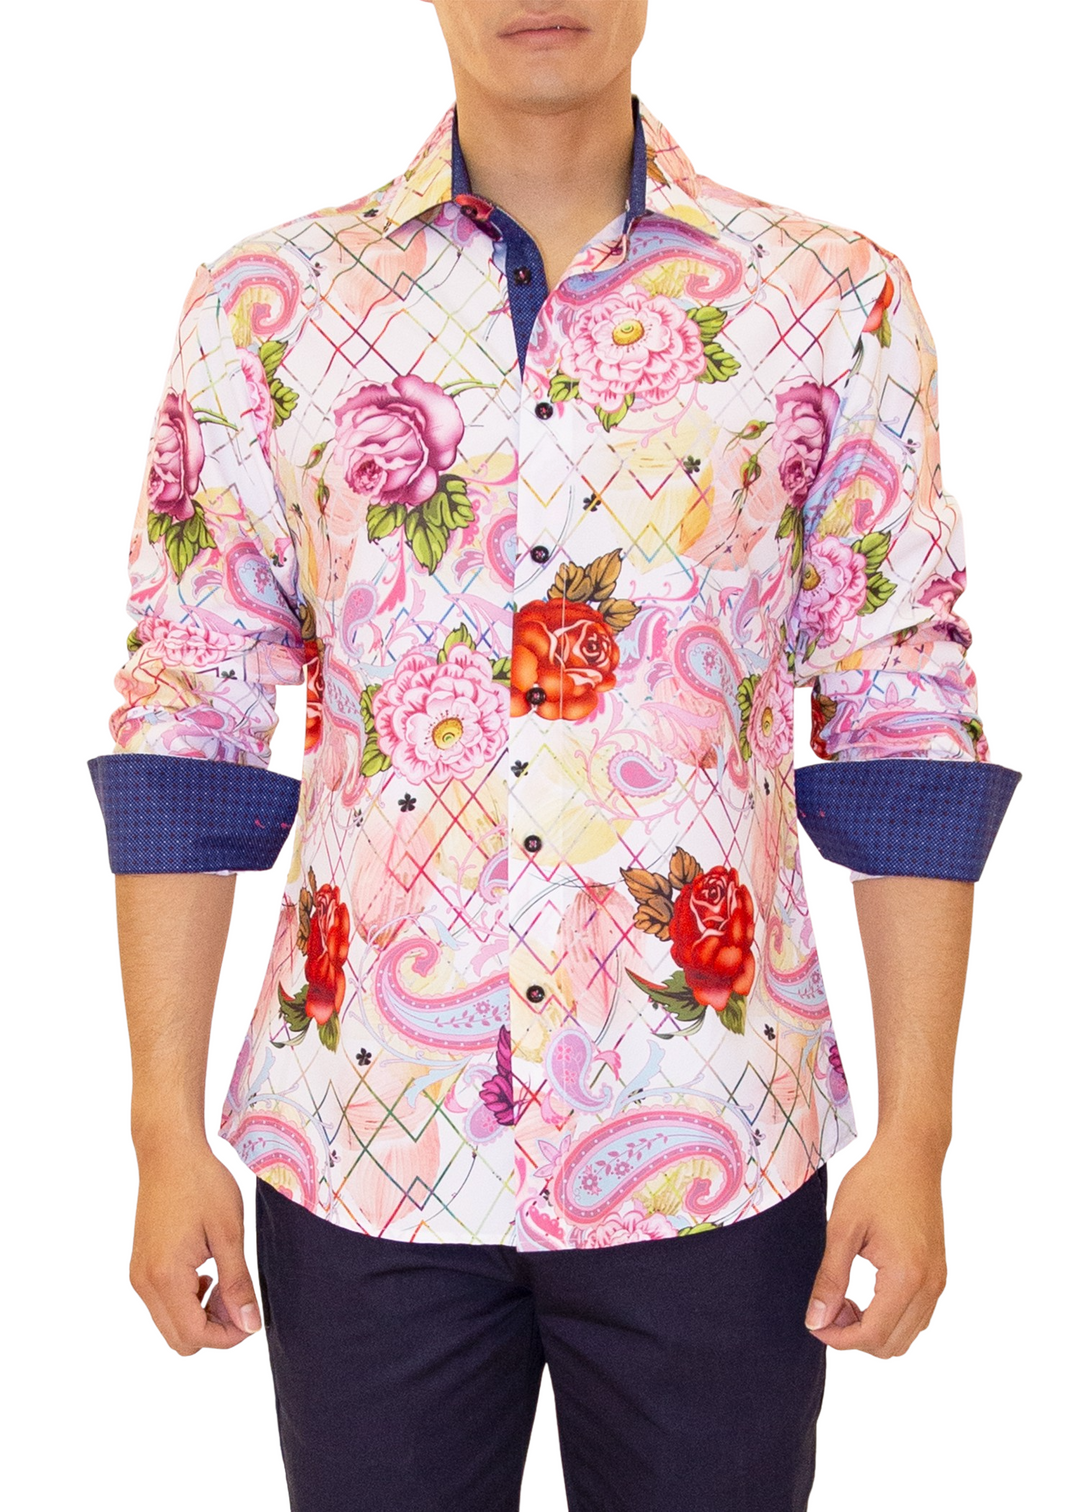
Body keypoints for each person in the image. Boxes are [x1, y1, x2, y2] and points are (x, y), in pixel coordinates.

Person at [86, 3, 1021, 1508]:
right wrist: (160, 1130)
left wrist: (920, 1135)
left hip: (716, 1138)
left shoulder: (831, 301)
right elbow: (190, 710)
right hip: (361, 1146)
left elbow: (902, 707)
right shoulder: (267, 309)